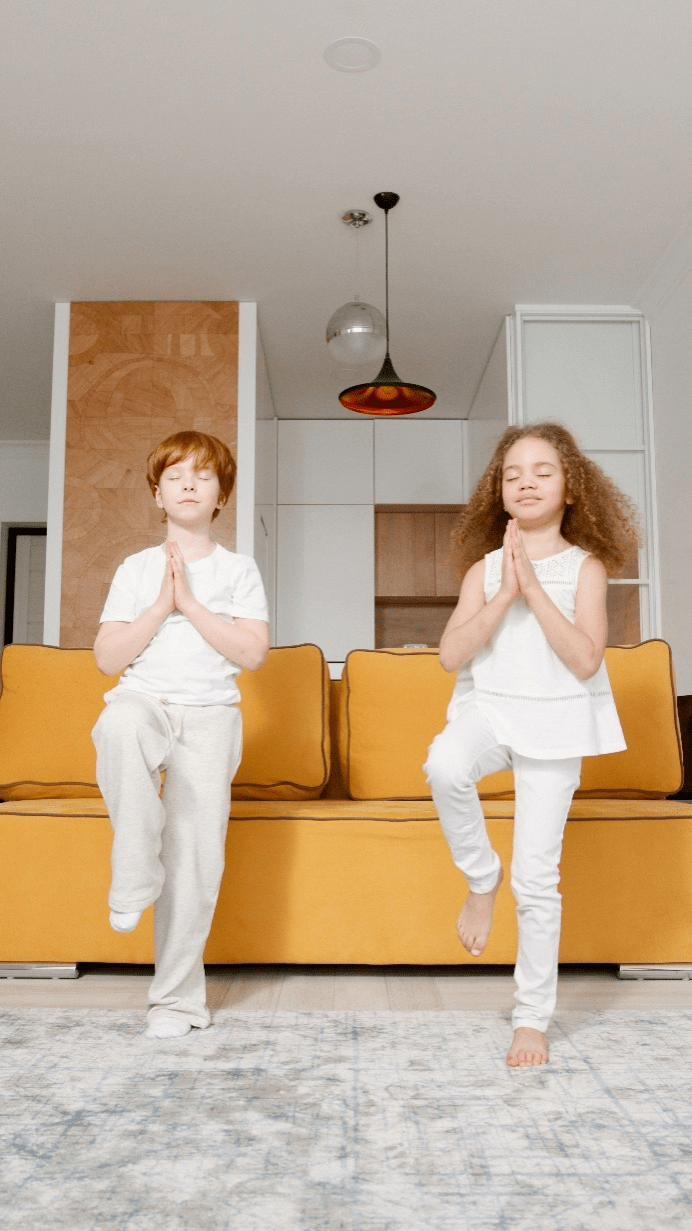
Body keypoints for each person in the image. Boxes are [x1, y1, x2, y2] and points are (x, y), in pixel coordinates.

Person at [424, 422, 640, 1068]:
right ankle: (479, 877)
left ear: (571, 487)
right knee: (444, 762)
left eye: (543, 470)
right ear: (499, 491)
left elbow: (584, 658)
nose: (526, 481)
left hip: (558, 721)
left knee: (537, 879)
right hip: (490, 707)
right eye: (512, 473)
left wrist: (537, 589)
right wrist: (505, 591)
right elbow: (449, 654)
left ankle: (531, 1018)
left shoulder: (587, 568)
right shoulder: (484, 570)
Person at [92, 430, 269, 1039]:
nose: (189, 482)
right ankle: (136, 870)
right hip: (146, 702)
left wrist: (191, 605)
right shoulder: (135, 569)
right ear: (157, 495)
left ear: (221, 496)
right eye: (175, 475)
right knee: (116, 723)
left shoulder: (238, 570)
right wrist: (160, 605)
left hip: (211, 716)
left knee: (195, 861)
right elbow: (107, 659)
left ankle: (175, 1005)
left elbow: (252, 654)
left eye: (203, 474)